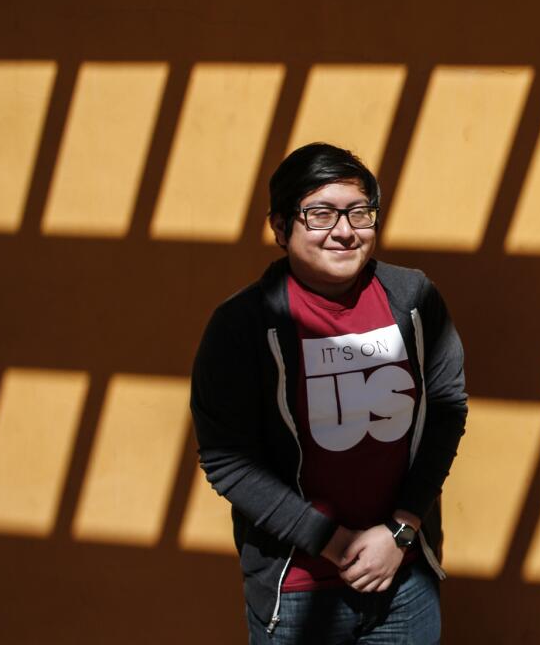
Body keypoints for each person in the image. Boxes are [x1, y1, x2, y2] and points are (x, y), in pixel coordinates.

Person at [191, 143, 467, 644]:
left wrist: (401, 530)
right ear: (279, 227)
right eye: (320, 214)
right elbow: (227, 460)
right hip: (297, 589)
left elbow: (446, 411)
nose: (344, 230)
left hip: (404, 580)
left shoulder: (415, 299)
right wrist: (335, 544)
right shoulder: (242, 326)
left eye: (359, 212)